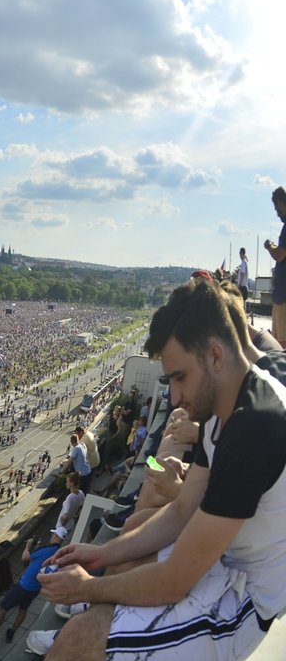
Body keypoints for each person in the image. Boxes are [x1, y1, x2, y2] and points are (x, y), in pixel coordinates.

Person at [30, 277, 286, 660]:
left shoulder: (255, 426)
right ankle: (102, 611)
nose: (176, 396)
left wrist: (86, 587)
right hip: (226, 563)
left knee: (79, 639)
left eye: (180, 377)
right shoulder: (228, 402)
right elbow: (182, 511)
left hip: (246, 599)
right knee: (132, 532)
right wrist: (99, 556)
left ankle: (93, 617)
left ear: (215, 356)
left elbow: (173, 582)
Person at [0, 527, 65, 644]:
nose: (51, 536)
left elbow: (24, 557)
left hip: (24, 586)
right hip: (35, 588)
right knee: (23, 610)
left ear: (56, 537)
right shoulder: (58, 552)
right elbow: (38, 560)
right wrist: (35, 549)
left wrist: (28, 547)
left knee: (3, 608)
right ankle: (11, 632)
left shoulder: (46, 549)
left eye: (53, 534)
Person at [266, 185, 286, 341]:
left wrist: (269, 246)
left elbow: (280, 255)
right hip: (280, 295)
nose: (276, 211)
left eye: (277, 206)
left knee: (281, 345)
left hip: (283, 297)